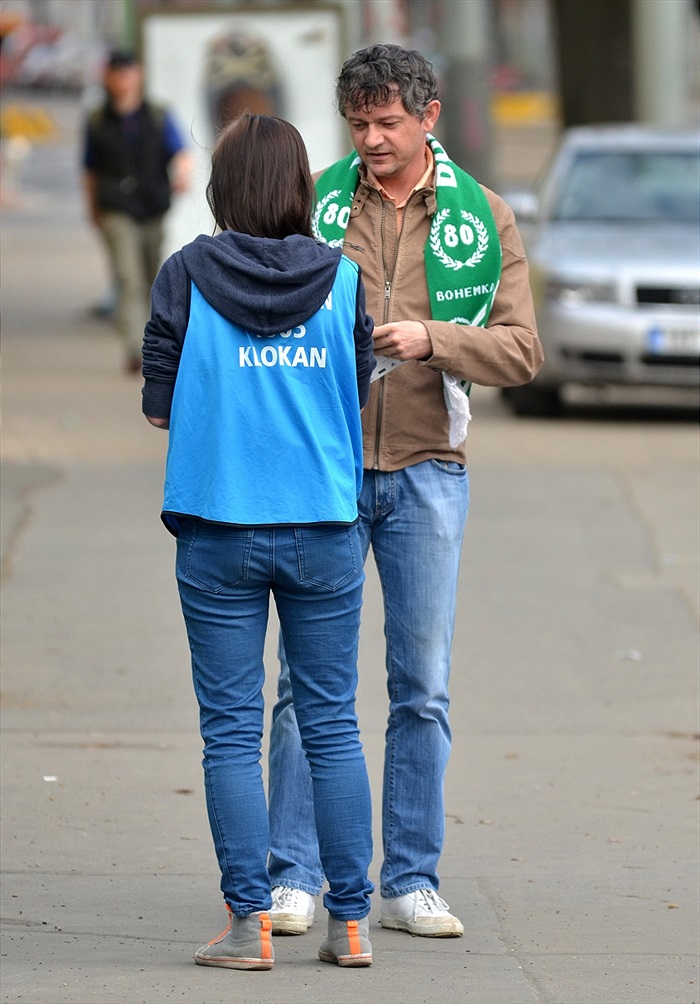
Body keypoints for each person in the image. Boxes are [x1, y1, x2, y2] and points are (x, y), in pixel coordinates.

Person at [267, 43, 544, 939]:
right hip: (325, 472)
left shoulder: (482, 215)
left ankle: (411, 880)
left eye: (388, 122)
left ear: (429, 117)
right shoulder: (311, 201)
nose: (372, 140)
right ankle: (293, 874)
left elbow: (523, 352)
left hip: (429, 471)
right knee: (304, 684)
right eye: (358, 124)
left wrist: (433, 339)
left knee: (421, 685)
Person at [142, 112, 376, 971]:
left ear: (222, 189)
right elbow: (356, 391)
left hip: (217, 528)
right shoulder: (346, 280)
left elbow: (159, 406)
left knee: (233, 734)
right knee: (332, 725)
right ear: (301, 189)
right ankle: (350, 925)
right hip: (324, 528)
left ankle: (249, 925)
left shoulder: (183, 276)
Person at [83, 49, 191, 373]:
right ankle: (137, 349)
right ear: (108, 78)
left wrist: (182, 174)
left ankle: (156, 340)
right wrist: (92, 208)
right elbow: (89, 171)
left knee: (150, 276)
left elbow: (180, 152)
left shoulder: (157, 115)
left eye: (128, 72)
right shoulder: (97, 120)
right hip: (116, 207)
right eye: (117, 73)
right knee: (128, 278)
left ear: (139, 75)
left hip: (152, 207)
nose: (123, 80)